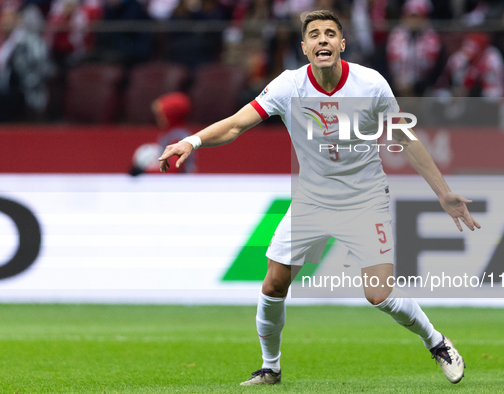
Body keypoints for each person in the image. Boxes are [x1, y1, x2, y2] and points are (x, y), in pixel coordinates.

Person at [158, 10, 480, 386]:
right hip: (312, 198)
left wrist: (443, 193)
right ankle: (270, 367)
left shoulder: (370, 85)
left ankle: (437, 342)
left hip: (364, 198)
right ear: (305, 48)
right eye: (314, 34)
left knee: (379, 294)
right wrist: (190, 141)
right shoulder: (288, 86)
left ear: (342, 44)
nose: (322, 39)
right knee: (273, 284)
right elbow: (235, 124)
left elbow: (406, 140)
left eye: (330, 34)